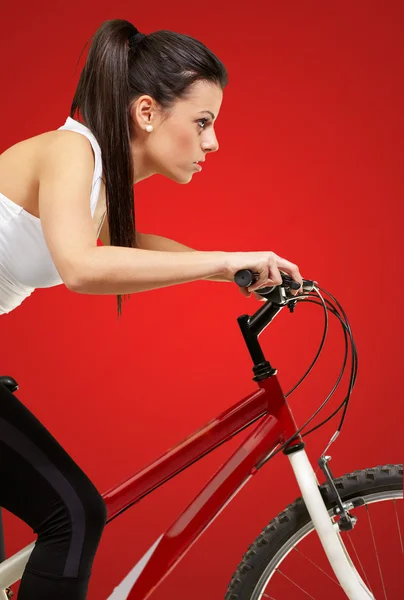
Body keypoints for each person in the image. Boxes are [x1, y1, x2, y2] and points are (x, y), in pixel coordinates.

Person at [0, 18, 303, 599]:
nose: (213, 142)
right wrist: (220, 262)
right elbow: (84, 266)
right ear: (146, 113)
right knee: (74, 513)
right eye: (203, 122)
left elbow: (126, 244)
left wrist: (233, 271)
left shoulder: (97, 179)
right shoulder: (71, 150)